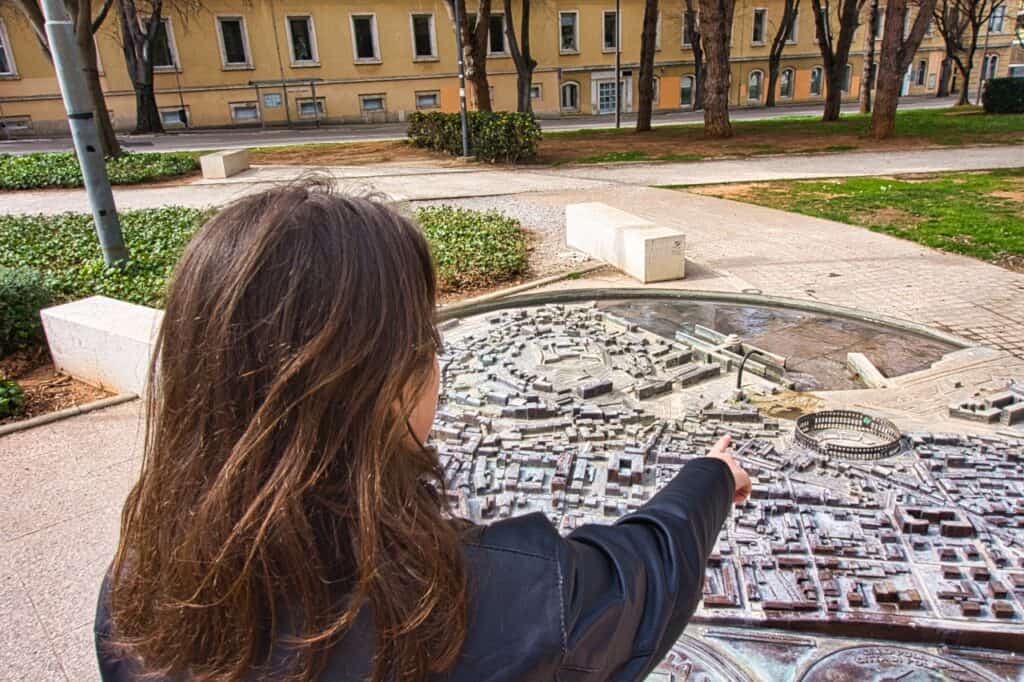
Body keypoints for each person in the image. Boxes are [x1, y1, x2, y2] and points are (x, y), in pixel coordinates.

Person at [95, 182, 752, 682]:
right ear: (387, 387)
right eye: (425, 345)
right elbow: (644, 575)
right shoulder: (499, 603)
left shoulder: (139, 594)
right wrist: (713, 477)